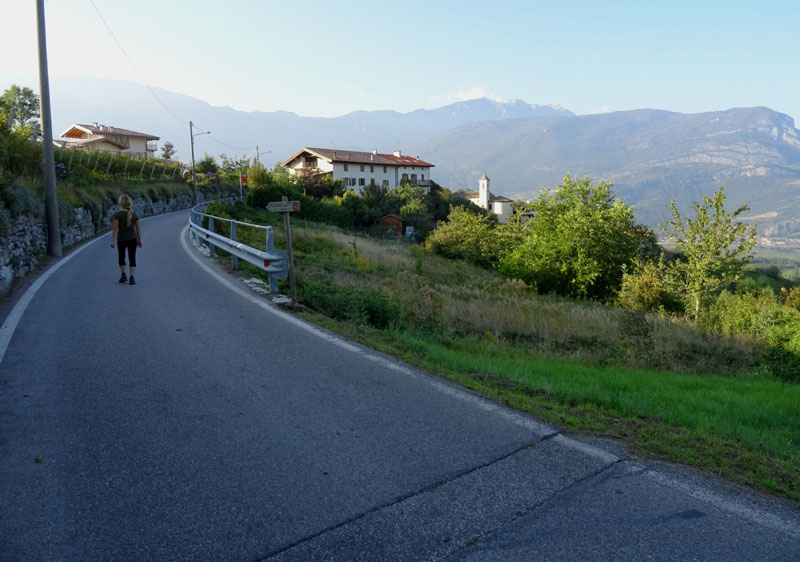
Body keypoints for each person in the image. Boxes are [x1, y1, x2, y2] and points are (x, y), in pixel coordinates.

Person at [109, 194, 142, 285]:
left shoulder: (117, 215)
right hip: (133, 239)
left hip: (121, 239)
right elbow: (138, 229)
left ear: (120, 203)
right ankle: (132, 277)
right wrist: (139, 240)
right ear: (129, 203)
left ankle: (123, 275)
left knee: (121, 256)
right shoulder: (134, 214)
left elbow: (115, 228)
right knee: (132, 257)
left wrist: (113, 240)